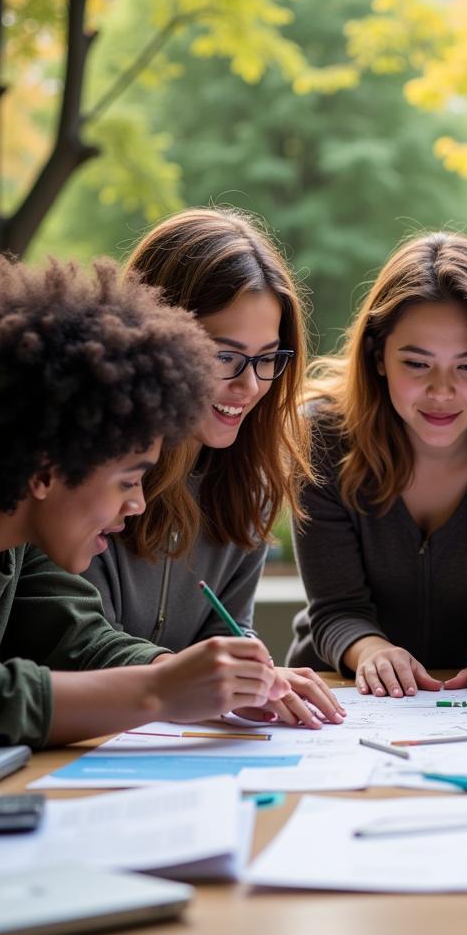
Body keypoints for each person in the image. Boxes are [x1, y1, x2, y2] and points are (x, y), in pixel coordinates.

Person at [0, 255, 289, 754]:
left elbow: (79, 641)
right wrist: (159, 691)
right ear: (47, 468)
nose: (138, 503)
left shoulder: (18, 530)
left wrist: (195, 679)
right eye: (128, 480)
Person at [287, 231, 467, 697]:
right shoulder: (321, 437)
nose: (442, 392)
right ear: (378, 356)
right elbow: (336, 608)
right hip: (343, 692)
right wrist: (372, 653)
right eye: (417, 365)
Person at [83, 207, 343, 729]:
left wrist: (250, 670)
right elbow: (71, 636)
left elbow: (223, 631)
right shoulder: (86, 466)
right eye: (224, 356)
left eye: (268, 358)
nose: (249, 387)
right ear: (156, 342)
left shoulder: (248, 477)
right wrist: (186, 677)